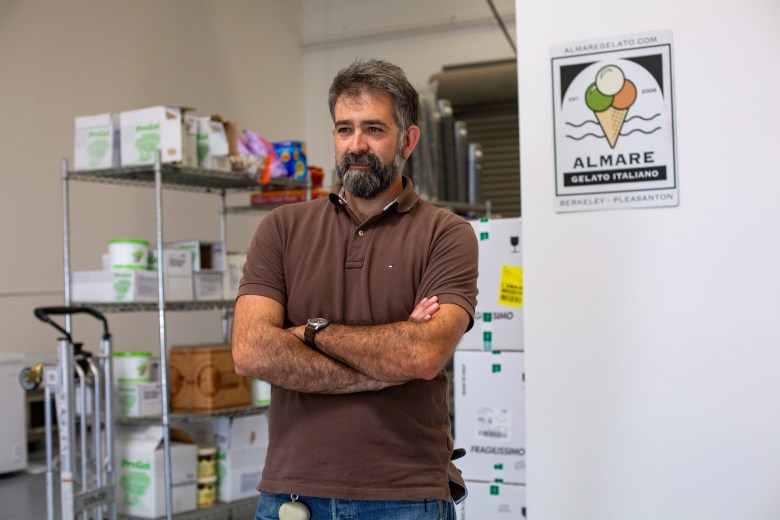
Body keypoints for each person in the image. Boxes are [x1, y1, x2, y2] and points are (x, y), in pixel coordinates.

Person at [232, 58, 478, 520]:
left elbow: (422, 356)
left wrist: (311, 332)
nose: (357, 145)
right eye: (344, 129)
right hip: (293, 495)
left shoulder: (447, 234)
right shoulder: (282, 228)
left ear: (408, 139)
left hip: (405, 496)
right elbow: (251, 351)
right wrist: (383, 365)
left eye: (374, 130)